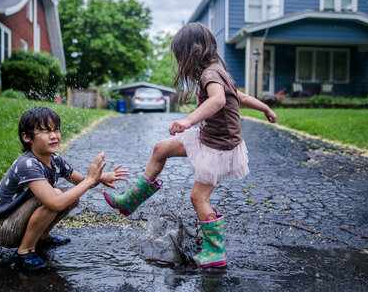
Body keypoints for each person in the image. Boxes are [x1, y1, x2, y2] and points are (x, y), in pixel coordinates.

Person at [104, 22, 277, 268]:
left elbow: (218, 100)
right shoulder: (217, 69)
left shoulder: (211, 73)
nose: (180, 63)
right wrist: (266, 108)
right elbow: (239, 96)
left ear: (193, 51)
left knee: (198, 197)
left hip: (218, 146)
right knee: (160, 148)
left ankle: (216, 251)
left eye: (180, 56)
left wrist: (188, 120)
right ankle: (130, 201)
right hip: (207, 137)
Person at [0, 107, 129, 272]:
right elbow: (55, 202)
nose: (54, 136)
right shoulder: (27, 163)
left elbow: (81, 182)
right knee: (56, 196)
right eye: (45, 131)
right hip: (4, 228)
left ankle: (41, 237)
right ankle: (24, 251)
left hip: (19, 219)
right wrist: (90, 179)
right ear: (26, 137)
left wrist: (99, 177)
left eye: (56, 130)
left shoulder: (55, 160)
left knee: (71, 195)